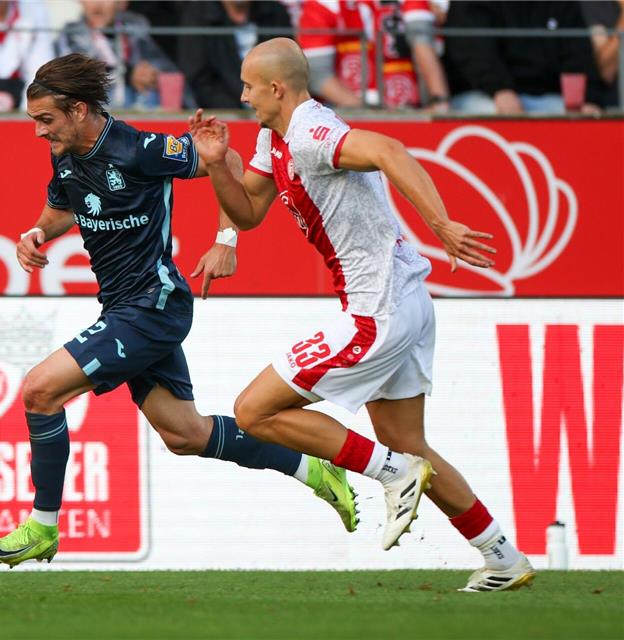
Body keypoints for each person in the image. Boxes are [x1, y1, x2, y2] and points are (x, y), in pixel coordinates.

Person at [0, 53, 358, 567]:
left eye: (46, 120)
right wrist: (39, 230)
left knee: (40, 391)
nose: (39, 132)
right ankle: (312, 470)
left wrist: (227, 240)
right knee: (185, 434)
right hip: (124, 308)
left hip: (151, 307)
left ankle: (43, 527)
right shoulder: (65, 153)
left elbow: (228, 163)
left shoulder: (138, 148)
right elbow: (65, 204)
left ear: (79, 110)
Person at [189, 38, 535, 592]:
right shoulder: (271, 135)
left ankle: (391, 475)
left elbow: (390, 150)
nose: (243, 95)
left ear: (277, 88)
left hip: (379, 310)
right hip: (405, 302)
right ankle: (501, 555)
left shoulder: (308, 130)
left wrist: (441, 223)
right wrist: (215, 168)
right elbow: (249, 210)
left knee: (253, 411)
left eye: (250, 86)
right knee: (410, 445)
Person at [443, 0, 599, 114]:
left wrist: (585, 100)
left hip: (548, 98)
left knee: (590, 117)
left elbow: (578, 57)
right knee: (492, 112)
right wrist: (500, 89)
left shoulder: (563, 4)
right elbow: (472, 50)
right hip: (483, 94)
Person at [297, 0, 448, 110]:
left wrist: (440, 101)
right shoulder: (323, 4)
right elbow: (319, 77)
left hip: (407, 106)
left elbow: (423, 43)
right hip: (346, 111)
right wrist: (370, 112)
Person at [55, 0, 181, 110]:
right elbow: (74, 79)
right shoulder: (69, 37)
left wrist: (153, 74)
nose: (98, 4)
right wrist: (129, 74)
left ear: (122, 2)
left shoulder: (136, 34)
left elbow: (169, 71)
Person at [178, 0, 291, 109]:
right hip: (224, 111)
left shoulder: (275, 12)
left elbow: (288, 67)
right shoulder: (198, 14)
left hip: (273, 105)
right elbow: (198, 76)